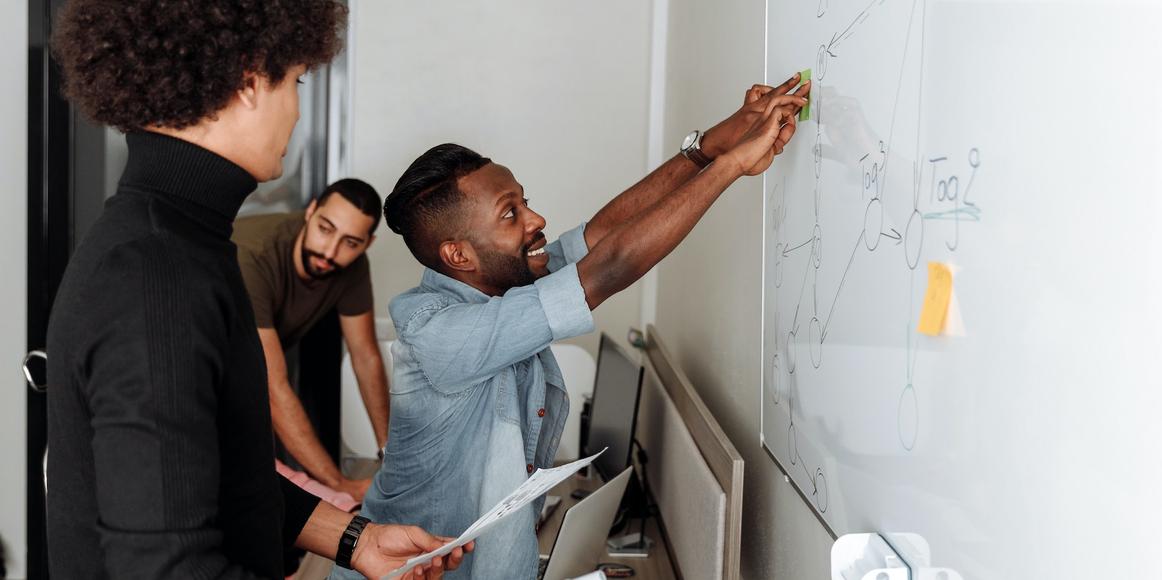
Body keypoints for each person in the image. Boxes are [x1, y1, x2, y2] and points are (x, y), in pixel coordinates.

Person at [45, 1, 469, 578]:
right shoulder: (154, 275)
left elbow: (219, 471)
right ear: (249, 81)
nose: (296, 111)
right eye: (294, 81)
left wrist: (357, 540)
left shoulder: (183, 239)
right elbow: (166, 568)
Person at [332, 77, 810, 578]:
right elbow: (608, 269)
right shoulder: (441, 333)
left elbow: (600, 237)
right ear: (459, 255)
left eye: (524, 200)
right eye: (510, 214)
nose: (536, 218)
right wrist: (733, 166)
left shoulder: (507, 281)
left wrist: (716, 143)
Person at [234, 178, 390, 501]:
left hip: (246, 371)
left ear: (367, 243)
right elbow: (274, 390)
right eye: (325, 229)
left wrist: (390, 454)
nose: (329, 251)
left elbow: (365, 357)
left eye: (350, 242)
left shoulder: (352, 267)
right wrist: (340, 484)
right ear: (310, 211)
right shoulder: (254, 258)